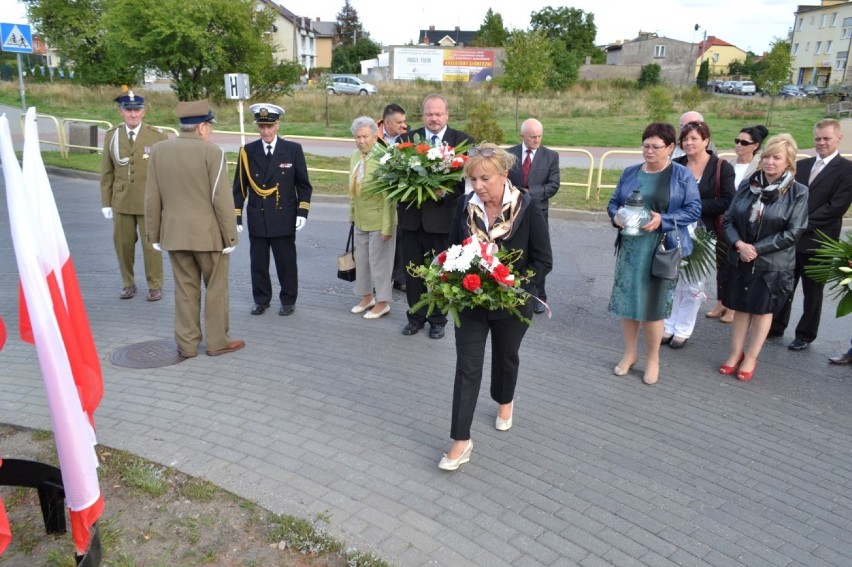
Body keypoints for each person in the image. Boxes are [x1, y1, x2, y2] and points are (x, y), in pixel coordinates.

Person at [438, 143, 552, 471]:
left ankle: (504, 401)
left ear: (504, 175)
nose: (478, 186)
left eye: (485, 178)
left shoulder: (527, 207)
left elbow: (543, 259)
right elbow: (450, 250)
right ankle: (460, 441)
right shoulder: (464, 205)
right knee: (467, 367)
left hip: (512, 303)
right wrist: (450, 278)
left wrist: (517, 283)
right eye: (473, 179)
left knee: (506, 357)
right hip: (471, 302)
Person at [145, 100, 243, 358]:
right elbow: (220, 198)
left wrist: (152, 233)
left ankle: (187, 345)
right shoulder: (212, 152)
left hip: (174, 234)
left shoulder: (158, 150)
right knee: (216, 289)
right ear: (201, 127)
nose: (210, 131)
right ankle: (217, 341)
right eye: (209, 126)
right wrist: (230, 235)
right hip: (209, 236)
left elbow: (152, 196)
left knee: (185, 290)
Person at [608, 123, 701, 385]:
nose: (649, 151)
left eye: (655, 146)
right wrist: (616, 216)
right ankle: (629, 354)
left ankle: (652, 359)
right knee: (628, 304)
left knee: (653, 307)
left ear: (670, 147)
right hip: (630, 248)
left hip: (661, 248)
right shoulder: (630, 172)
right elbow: (614, 202)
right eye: (646, 145)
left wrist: (664, 219)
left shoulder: (681, 175)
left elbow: (694, 209)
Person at [719, 134, 808, 380]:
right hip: (741, 257)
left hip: (772, 263)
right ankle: (735, 353)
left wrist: (757, 249)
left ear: (788, 162)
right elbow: (728, 218)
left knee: (761, 310)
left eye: (776, 157)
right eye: (766, 156)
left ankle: (750, 357)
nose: (769, 162)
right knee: (740, 307)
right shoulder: (748, 185)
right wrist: (739, 244)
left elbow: (794, 232)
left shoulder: (798, 192)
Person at [771, 119, 852, 350]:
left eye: (826, 138)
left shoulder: (847, 170)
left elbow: (836, 208)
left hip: (820, 243)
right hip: (792, 241)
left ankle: (805, 335)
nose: (821, 143)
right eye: (818, 138)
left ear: (838, 138)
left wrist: (798, 223)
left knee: (813, 293)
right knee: (785, 285)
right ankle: (776, 326)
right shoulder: (802, 167)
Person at [399, 93, 474, 339]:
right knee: (413, 273)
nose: (434, 118)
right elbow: (395, 181)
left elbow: (469, 184)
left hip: (443, 223)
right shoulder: (405, 140)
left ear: (447, 115)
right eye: (429, 114)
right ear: (423, 115)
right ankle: (415, 316)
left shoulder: (462, 142)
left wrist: (444, 192)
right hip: (412, 222)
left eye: (438, 114)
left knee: (440, 273)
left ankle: (438, 320)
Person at [233, 103, 313, 316]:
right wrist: (237, 216)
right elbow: (239, 187)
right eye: (261, 127)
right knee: (258, 263)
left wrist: (302, 212)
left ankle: (288, 299)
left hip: (283, 216)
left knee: (286, 263)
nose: (266, 131)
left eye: (270, 126)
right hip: (258, 216)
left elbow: (303, 185)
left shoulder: (292, 150)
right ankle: (261, 299)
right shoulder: (247, 152)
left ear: (278, 125)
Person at [665, 120, 736, 346]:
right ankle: (668, 325)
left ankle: (683, 330)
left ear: (706, 140)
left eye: (694, 138)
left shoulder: (721, 167)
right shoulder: (675, 164)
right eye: (685, 139)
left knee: (693, 282)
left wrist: (692, 207)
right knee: (672, 279)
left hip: (705, 233)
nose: (689, 143)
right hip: (674, 230)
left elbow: (727, 201)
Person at [100, 88, 168, 301]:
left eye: (137, 110)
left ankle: (154, 286)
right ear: (120, 111)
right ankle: (128, 283)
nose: (133, 114)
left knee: (152, 248)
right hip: (121, 201)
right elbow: (107, 171)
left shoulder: (157, 136)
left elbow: (165, 173)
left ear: (144, 111)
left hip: (148, 203)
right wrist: (106, 203)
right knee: (123, 247)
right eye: (128, 110)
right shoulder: (112, 136)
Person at [507, 118, 560, 314]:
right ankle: (515, 291)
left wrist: (528, 192)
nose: (537, 140)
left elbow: (553, 185)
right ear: (522, 136)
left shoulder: (551, 156)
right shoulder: (509, 154)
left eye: (539, 136)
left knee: (538, 253)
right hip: (511, 211)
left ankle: (540, 295)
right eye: (532, 137)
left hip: (538, 213)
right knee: (515, 250)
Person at [348, 116, 397, 319]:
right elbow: (352, 189)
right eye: (357, 137)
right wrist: (352, 215)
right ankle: (367, 297)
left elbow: (390, 197)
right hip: (360, 218)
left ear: (374, 136)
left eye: (365, 136)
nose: (361, 141)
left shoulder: (384, 158)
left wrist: (387, 227)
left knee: (379, 263)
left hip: (380, 220)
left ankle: (383, 302)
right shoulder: (354, 156)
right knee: (362, 261)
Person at [376, 103, 409, 291]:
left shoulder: (407, 137)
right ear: (387, 122)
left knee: (401, 236)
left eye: (404, 121)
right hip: (379, 195)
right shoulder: (372, 135)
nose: (403, 126)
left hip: (401, 194)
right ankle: (379, 280)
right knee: (380, 237)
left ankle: (400, 277)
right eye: (399, 122)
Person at [730, 125, 768, 189]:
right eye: (737, 141)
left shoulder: (762, 166)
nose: (738, 145)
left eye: (744, 143)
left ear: (755, 145)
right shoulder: (728, 164)